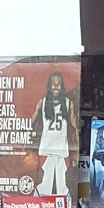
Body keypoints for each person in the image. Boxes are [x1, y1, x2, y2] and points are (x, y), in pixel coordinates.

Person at [37, 70, 75, 198]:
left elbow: (74, 129)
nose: (56, 87)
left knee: (61, 184)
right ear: (49, 86)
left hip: (61, 149)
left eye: (58, 84)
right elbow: (30, 123)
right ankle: (41, 204)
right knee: (45, 183)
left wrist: (75, 151)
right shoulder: (42, 103)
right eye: (53, 84)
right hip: (46, 148)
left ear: (62, 86)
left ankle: (64, 205)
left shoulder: (68, 104)